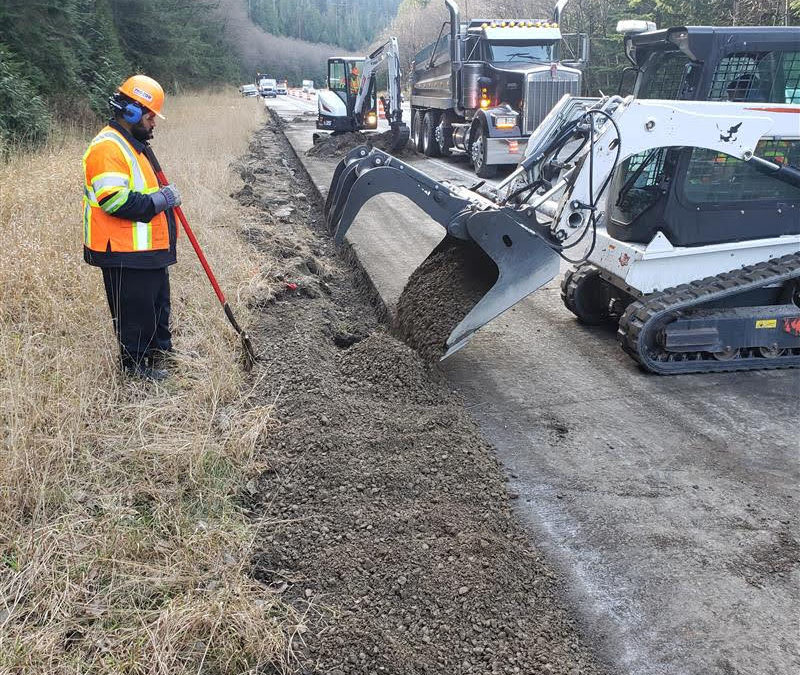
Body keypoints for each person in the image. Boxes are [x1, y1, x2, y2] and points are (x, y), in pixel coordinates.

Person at [82, 75, 181, 381]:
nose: (154, 123)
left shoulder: (132, 145)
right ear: (133, 112)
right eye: (151, 116)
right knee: (135, 313)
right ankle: (136, 370)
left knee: (156, 306)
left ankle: (160, 354)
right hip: (123, 250)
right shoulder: (108, 148)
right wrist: (159, 200)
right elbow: (114, 201)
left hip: (146, 250)